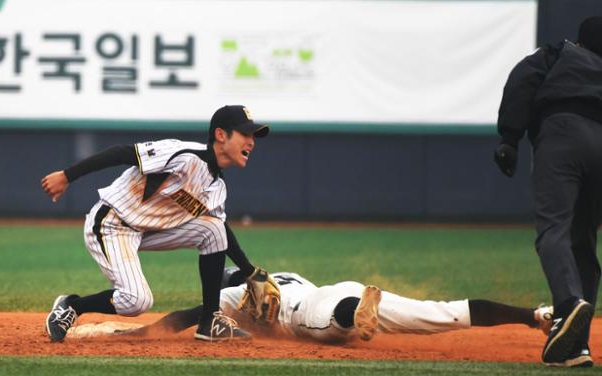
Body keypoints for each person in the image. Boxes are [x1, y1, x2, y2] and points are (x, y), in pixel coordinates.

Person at [41, 105, 274, 342]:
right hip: (112, 223)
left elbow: (221, 232)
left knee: (214, 228)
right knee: (136, 300)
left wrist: (250, 272)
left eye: (253, 136)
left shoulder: (217, 188)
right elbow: (122, 153)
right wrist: (68, 176)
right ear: (221, 135)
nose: (251, 142)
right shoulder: (184, 155)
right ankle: (71, 306)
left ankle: (209, 321)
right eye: (245, 134)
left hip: (146, 231)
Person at [494, 16, 602, 367]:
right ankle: (577, 348)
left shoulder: (560, 53)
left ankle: (569, 305)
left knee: (554, 230)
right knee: (583, 242)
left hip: (564, 133)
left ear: (581, 41)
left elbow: (522, 81)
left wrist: (509, 138)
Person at [90, 268, 553, 346]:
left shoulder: (231, 297)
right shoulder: (278, 276)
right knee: (440, 313)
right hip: (337, 288)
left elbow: (186, 318)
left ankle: (357, 314)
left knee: (326, 324)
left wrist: (135, 335)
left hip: (311, 310)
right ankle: (535, 316)